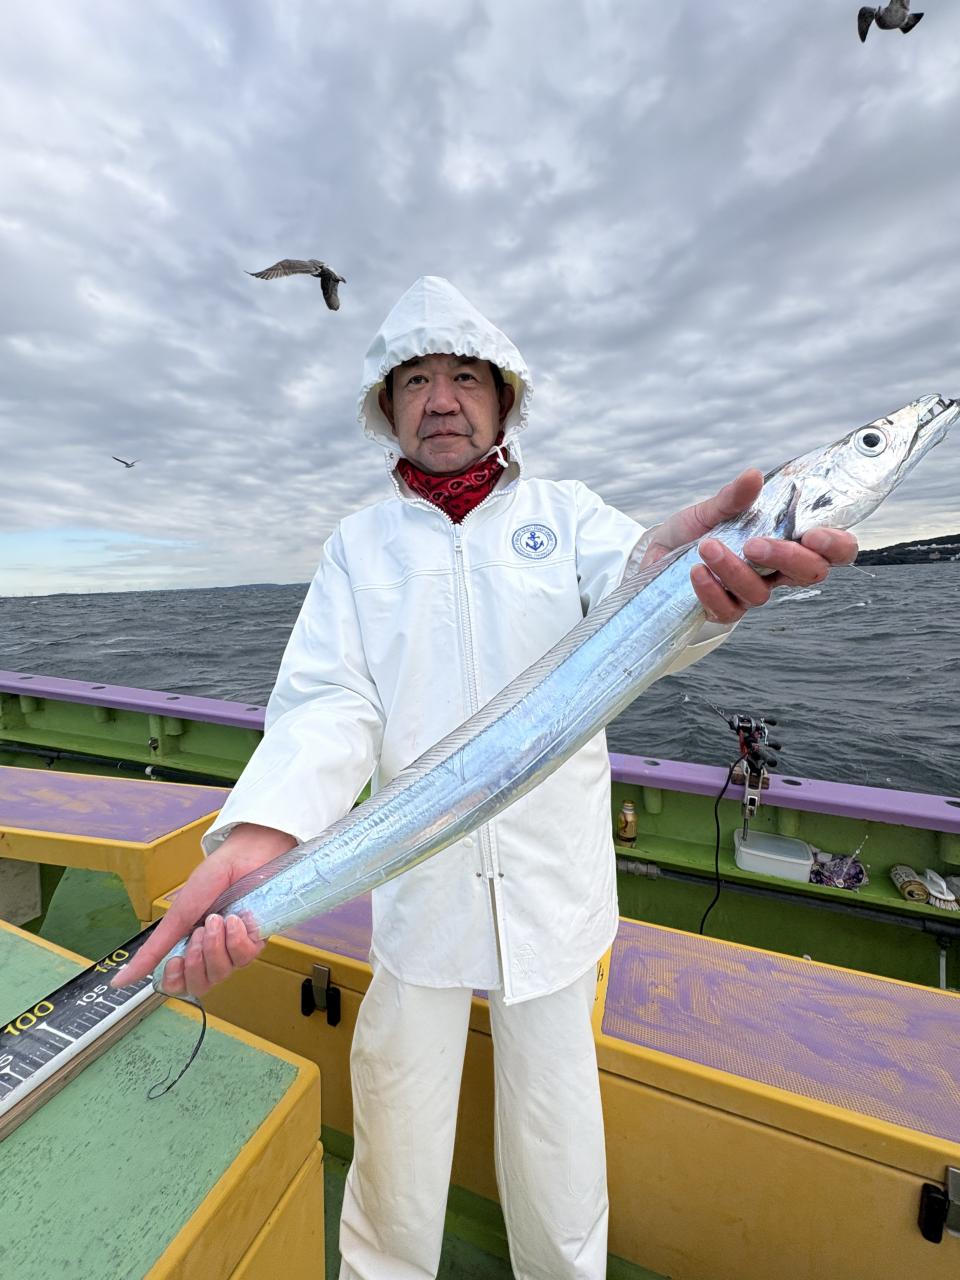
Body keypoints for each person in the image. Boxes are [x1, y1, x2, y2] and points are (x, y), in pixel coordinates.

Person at [118, 276, 857, 1279]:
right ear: (386, 407)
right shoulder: (357, 547)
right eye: (415, 379)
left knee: (559, 1144)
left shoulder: (572, 515)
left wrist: (699, 593)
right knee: (395, 1134)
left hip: (556, 896)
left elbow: (646, 598)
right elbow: (332, 703)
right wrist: (262, 836)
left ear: (505, 397)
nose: (441, 399)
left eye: (465, 376)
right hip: (413, 890)